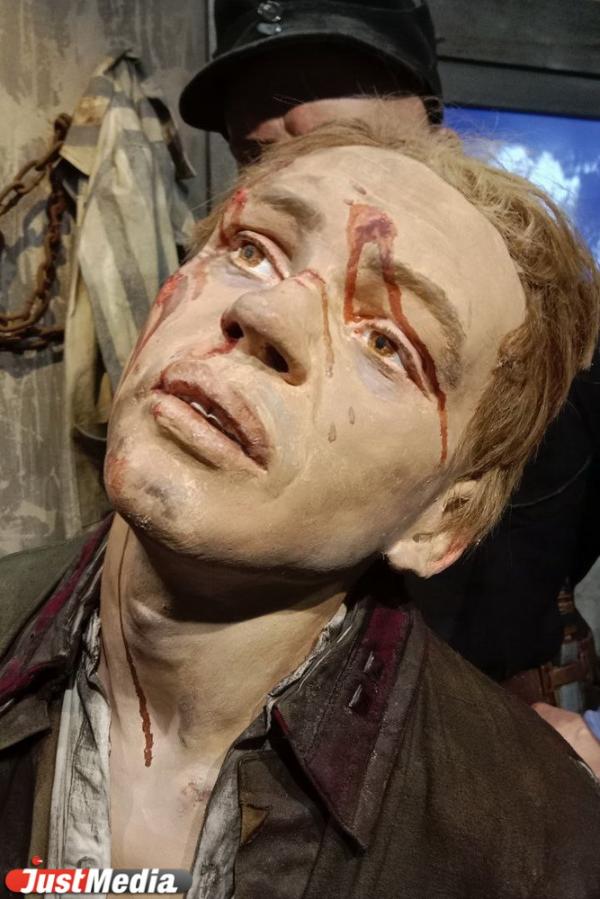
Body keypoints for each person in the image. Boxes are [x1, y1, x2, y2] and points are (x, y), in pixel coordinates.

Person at [1, 118, 600, 898]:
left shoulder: (541, 850)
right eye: (253, 250)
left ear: (441, 519)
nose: (267, 314)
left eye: (386, 342)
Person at [180, 0, 600, 761]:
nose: (306, 186)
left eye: (348, 143)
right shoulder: (213, 331)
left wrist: (535, 746)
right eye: (258, 155)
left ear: (438, 141)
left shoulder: (558, 368)